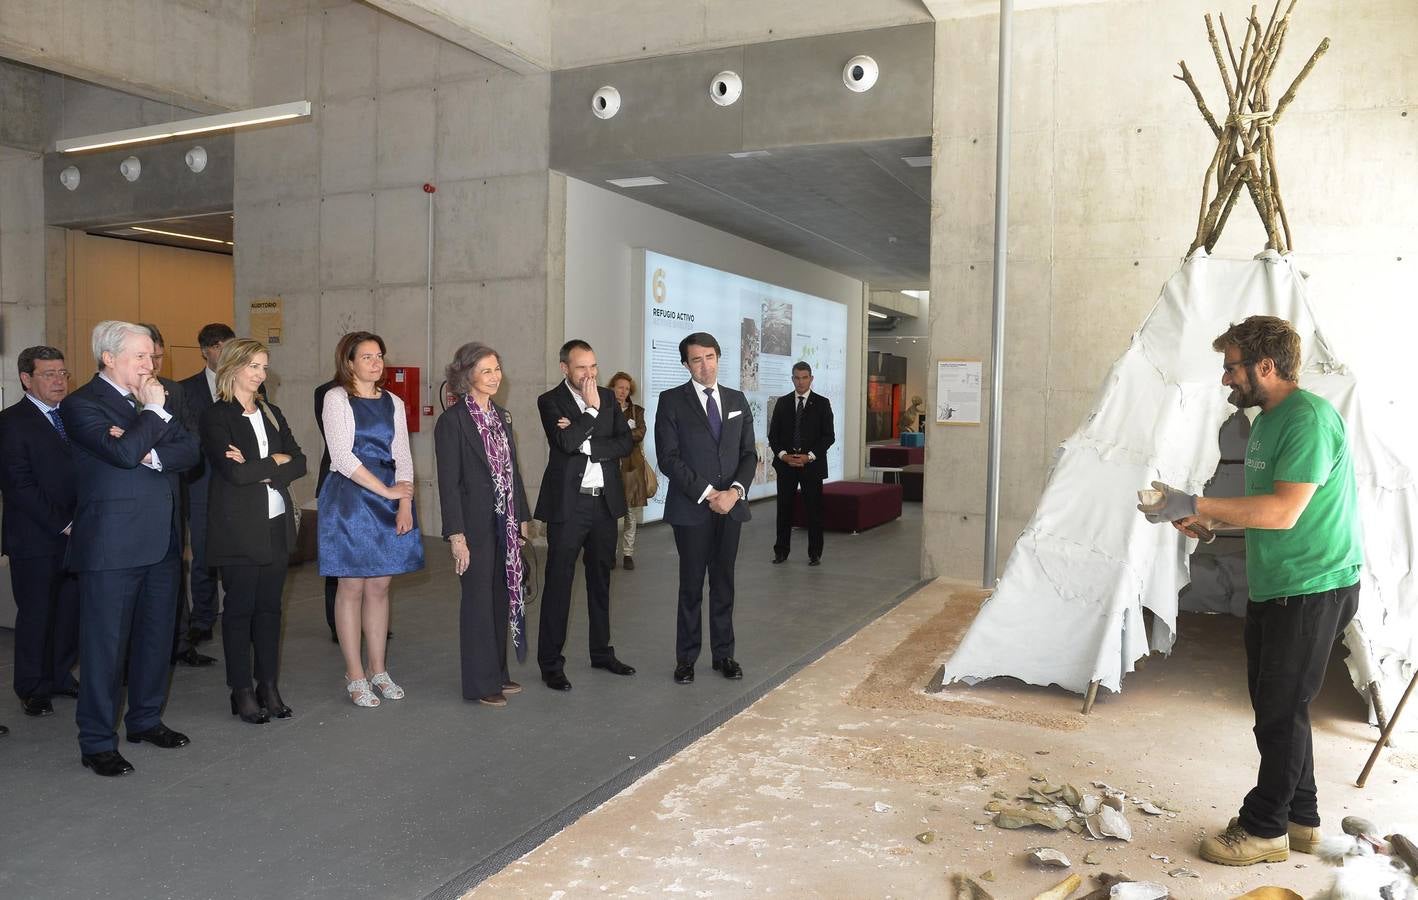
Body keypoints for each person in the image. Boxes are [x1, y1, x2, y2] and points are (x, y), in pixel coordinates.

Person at [1138, 315, 1361, 866]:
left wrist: (1194, 503)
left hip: (1312, 586)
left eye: (1231, 367)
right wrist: (1212, 526)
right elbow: (1272, 511)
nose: (1224, 379)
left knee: (1281, 711)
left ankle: (1265, 830)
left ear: (1266, 365)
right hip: (1281, 583)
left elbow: (1284, 513)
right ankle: (1299, 818)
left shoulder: (1306, 420)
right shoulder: (1266, 421)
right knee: (1279, 707)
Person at [60, 320, 202, 776]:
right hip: (111, 547)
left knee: (156, 639)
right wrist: (154, 419)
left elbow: (190, 452)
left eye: (151, 355)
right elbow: (119, 455)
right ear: (109, 357)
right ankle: (98, 741)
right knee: (105, 646)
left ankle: (144, 720)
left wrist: (146, 447)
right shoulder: (82, 403)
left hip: (161, 540)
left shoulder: (157, 397)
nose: (151, 364)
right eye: (141, 356)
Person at [201, 339, 306, 724]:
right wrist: (273, 461)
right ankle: (241, 689)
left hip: (276, 525)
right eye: (254, 367)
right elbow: (234, 472)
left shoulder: (272, 412)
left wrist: (264, 464)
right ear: (232, 368)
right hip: (238, 531)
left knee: (269, 610)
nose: (261, 374)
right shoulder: (216, 417)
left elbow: (300, 461)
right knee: (240, 611)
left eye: (264, 367)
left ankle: (268, 685)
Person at [319, 331, 423, 708]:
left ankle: (378, 669)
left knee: (380, 586)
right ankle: (355, 673)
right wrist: (388, 492)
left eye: (379, 355)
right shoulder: (336, 398)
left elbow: (403, 455)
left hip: (389, 496)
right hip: (351, 498)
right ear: (348, 362)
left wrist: (405, 501)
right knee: (352, 588)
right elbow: (343, 458)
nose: (376, 362)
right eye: (366, 357)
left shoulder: (393, 401)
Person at [654, 332, 757, 685]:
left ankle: (724, 655)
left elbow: (748, 454)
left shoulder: (737, 399)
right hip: (692, 509)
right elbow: (668, 458)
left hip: (731, 508)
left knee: (724, 582)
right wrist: (711, 493)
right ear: (686, 364)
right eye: (697, 359)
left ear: (718, 357)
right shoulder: (671, 401)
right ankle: (686, 659)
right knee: (691, 585)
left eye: (710, 357)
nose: (705, 365)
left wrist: (735, 492)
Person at [434, 342, 531, 707]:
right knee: (477, 601)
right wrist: (456, 536)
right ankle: (480, 683)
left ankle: (498, 673)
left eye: (497, 368)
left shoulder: (501, 416)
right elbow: (449, 484)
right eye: (486, 370)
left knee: (500, 597)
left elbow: (512, 472)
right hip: (472, 526)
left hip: (504, 522)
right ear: (466, 375)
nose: (494, 376)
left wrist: (520, 520)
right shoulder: (452, 421)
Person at [535, 340, 635, 692]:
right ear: (565, 368)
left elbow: (625, 443)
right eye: (582, 368)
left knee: (601, 581)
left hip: (604, 504)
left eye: (593, 366)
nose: (590, 374)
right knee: (559, 584)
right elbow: (562, 444)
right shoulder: (550, 401)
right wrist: (591, 414)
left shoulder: (609, 397)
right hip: (568, 506)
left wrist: (585, 441)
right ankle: (550, 663)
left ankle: (601, 652)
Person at [0, 346, 80, 719]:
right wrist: (63, 523)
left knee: (69, 611)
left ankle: (60, 675)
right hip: (36, 537)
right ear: (26, 379)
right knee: (36, 615)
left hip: (78, 535)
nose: (58, 381)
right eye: (48, 374)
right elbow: (18, 485)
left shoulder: (76, 417)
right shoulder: (11, 422)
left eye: (62, 373)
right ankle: (33, 687)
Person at [142, 323, 214, 668]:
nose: (154, 364)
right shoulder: (105, 398)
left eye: (158, 357)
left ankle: (181, 643)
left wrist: (156, 455)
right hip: (131, 505)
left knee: (175, 566)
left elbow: (190, 445)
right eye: (146, 357)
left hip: (173, 493)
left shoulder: (173, 391)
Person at [178, 322, 237, 649]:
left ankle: (236, 614)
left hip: (237, 482)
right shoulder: (185, 390)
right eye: (218, 347)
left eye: (229, 346)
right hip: (201, 482)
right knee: (202, 552)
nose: (224, 353)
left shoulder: (248, 384)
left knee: (235, 551)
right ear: (205, 351)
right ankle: (202, 618)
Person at [768, 361, 835, 567]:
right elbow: (773, 435)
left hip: (812, 466)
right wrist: (783, 456)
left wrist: (810, 456)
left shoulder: (822, 403)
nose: (800, 381)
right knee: (783, 510)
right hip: (786, 466)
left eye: (804, 377)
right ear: (792, 379)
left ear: (811, 379)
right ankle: (781, 551)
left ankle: (815, 553)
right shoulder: (783, 403)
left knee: (814, 511)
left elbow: (828, 437)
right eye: (797, 377)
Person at [608, 371, 649, 571]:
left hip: (632, 467)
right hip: (610, 466)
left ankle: (627, 553)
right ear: (612, 388)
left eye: (626, 388)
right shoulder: (604, 409)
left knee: (630, 512)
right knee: (611, 513)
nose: (623, 391)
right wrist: (626, 432)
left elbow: (640, 433)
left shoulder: (636, 411)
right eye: (619, 387)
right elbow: (603, 434)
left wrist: (620, 434)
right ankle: (611, 553)